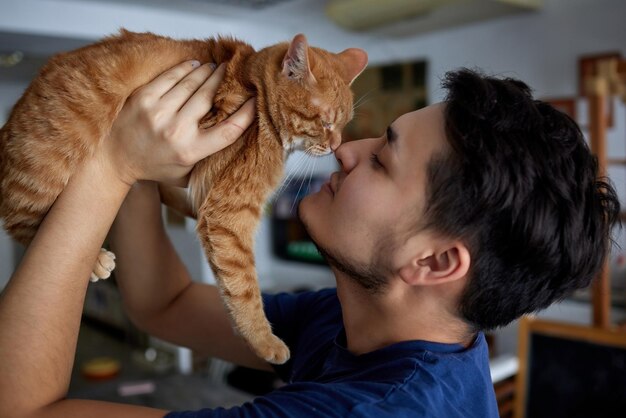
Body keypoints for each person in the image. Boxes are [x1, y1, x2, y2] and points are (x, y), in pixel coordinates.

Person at [0, 58, 619, 418]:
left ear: (434, 261)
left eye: (382, 161)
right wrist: (136, 165)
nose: (347, 151)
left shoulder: (370, 412)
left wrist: (108, 166)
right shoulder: (381, 322)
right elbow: (162, 304)